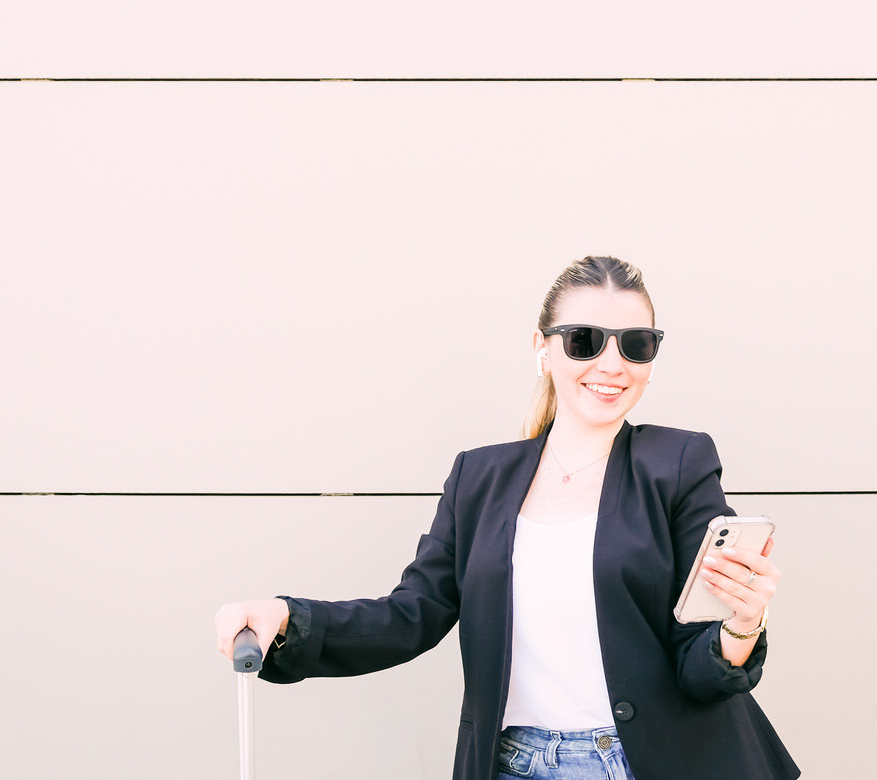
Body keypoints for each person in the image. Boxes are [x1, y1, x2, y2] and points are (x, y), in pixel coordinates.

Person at [214, 256, 799, 779]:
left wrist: (741, 628)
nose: (612, 363)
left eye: (636, 344)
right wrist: (288, 617)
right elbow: (409, 616)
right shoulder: (479, 478)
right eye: (585, 340)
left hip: (653, 762)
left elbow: (700, 667)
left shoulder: (678, 463)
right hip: (515, 766)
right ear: (542, 348)